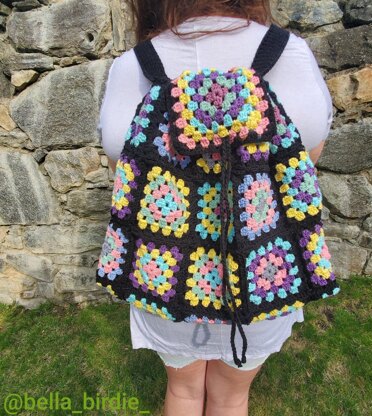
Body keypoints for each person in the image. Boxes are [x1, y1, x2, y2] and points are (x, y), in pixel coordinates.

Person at [98, 1, 333, 415]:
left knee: (183, 391)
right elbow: (306, 163)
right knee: (232, 397)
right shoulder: (291, 54)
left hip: (164, 268)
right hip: (262, 270)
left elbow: (126, 173)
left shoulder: (131, 67)